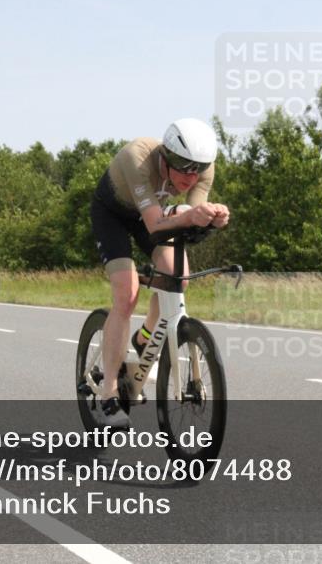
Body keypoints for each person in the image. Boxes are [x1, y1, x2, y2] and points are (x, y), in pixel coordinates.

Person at [90, 118, 230, 428]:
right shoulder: (137, 157)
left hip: (150, 214)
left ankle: (145, 337)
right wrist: (191, 216)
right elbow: (155, 224)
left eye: (198, 169)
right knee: (127, 295)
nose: (191, 176)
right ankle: (109, 394)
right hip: (114, 215)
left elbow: (192, 213)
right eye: (184, 167)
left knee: (178, 277)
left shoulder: (203, 168)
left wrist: (212, 218)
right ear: (166, 156)